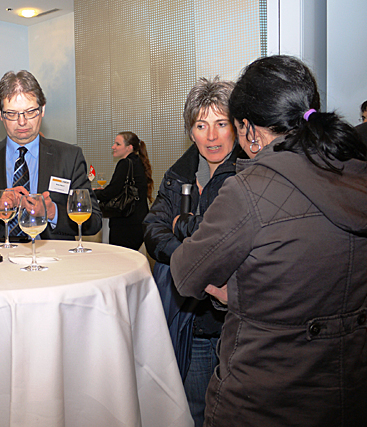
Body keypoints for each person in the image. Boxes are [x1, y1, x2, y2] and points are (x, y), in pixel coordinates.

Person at [171, 55, 367, 427]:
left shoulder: (248, 190)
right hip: (347, 392)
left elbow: (185, 274)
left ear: (249, 130)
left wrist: (236, 289)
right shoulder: (357, 174)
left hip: (263, 398)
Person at [143, 77, 245, 427]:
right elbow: (152, 228)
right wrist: (190, 255)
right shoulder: (180, 172)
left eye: (221, 124)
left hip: (230, 323)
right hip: (190, 319)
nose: (211, 136)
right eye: (202, 125)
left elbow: (227, 241)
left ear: (236, 127)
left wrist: (184, 228)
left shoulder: (246, 174)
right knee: (191, 409)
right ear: (191, 131)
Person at [0, 70, 102, 240]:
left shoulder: (69, 157)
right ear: (1, 115)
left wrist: (52, 212)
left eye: (30, 112)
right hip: (0, 256)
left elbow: (94, 221)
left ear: (42, 109)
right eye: (12, 114)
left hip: (53, 256)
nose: (22, 122)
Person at [94, 132, 153, 249]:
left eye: (118, 144)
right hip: (139, 221)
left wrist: (93, 192)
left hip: (125, 223)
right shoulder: (139, 162)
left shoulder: (124, 163)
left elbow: (111, 192)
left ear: (129, 148)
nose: (113, 147)